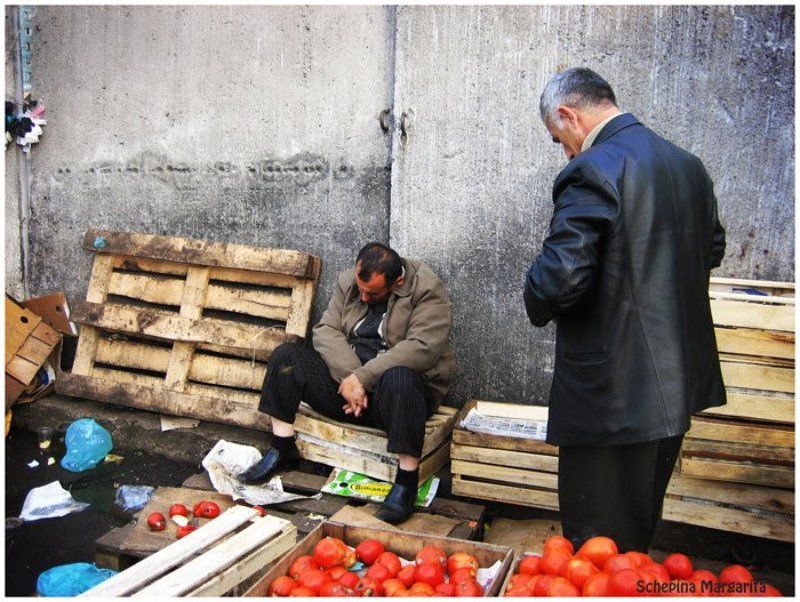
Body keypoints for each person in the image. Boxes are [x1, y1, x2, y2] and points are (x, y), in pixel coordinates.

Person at [524, 67, 726, 552]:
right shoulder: (687, 165)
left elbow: (560, 279)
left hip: (611, 393)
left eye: (559, 139)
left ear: (568, 115)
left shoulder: (592, 167)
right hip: (674, 383)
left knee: (597, 547)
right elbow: (712, 248)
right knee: (636, 529)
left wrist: (534, 293)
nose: (566, 150)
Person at [239, 242, 455, 523]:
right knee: (287, 357)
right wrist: (351, 378)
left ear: (398, 281)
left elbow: (423, 347)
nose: (363, 297)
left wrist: (362, 378)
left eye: (373, 293)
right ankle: (282, 448)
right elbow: (326, 330)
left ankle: (406, 481)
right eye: (360, 288)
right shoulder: (349, 283)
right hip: (349, 389)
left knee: (400, 376)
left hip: (397, 399)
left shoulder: (426, 289)